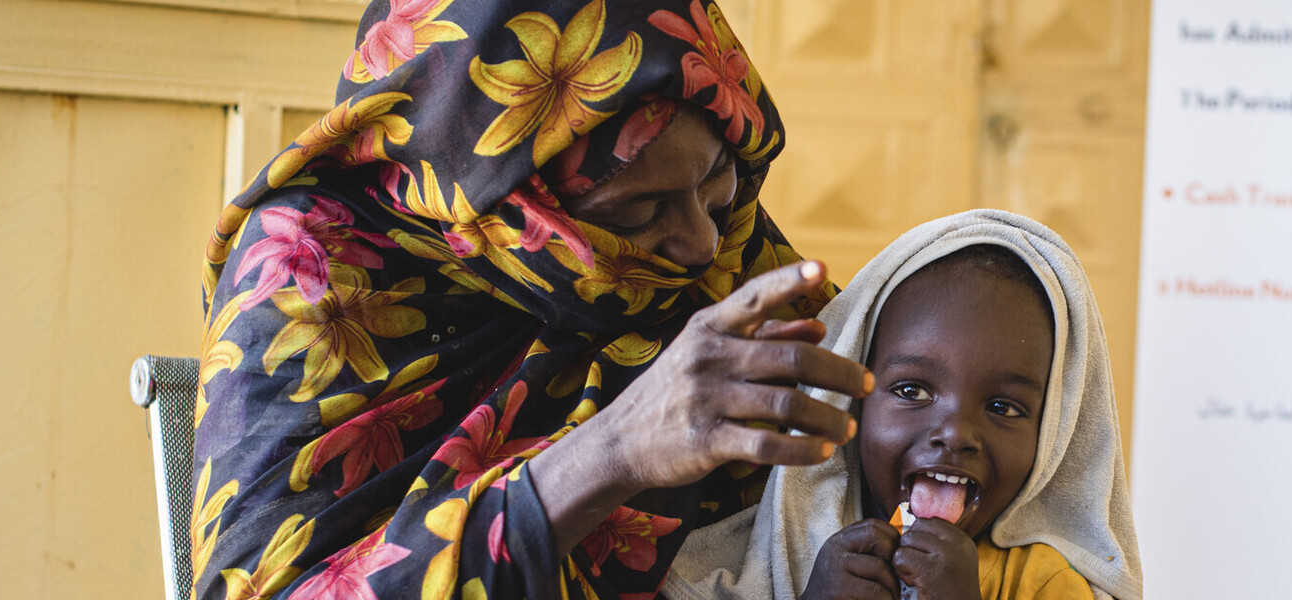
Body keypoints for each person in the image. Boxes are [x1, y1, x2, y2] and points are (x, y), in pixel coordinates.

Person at [192, 1, 869, 599]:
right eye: (636, 214)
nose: (700, 246)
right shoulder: (312, 265)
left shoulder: (713, 239)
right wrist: (617, 448)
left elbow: (870, 416)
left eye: (719, 185)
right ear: (501, 198)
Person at [665, 209, 1144, 600]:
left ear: (1056, 436)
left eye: (1003, 408)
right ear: (850, 403)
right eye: (912, 392)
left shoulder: (1044, 583)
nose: (955, 433)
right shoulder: (774, 563)